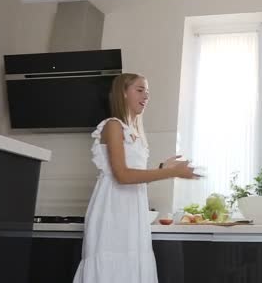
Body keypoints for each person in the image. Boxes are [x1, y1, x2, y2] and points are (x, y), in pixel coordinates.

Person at [73, 73, 199, 283]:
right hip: (113, 212)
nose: (146, 96)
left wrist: (161, 168)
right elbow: (122, 175)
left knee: (132, 267)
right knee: (113, 268)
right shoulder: (113, 125)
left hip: (132, 212)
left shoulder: (135, 133)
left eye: (147, 92)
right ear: (122, 93)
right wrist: (172, 172)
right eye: (139, 90)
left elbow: (134, 175)